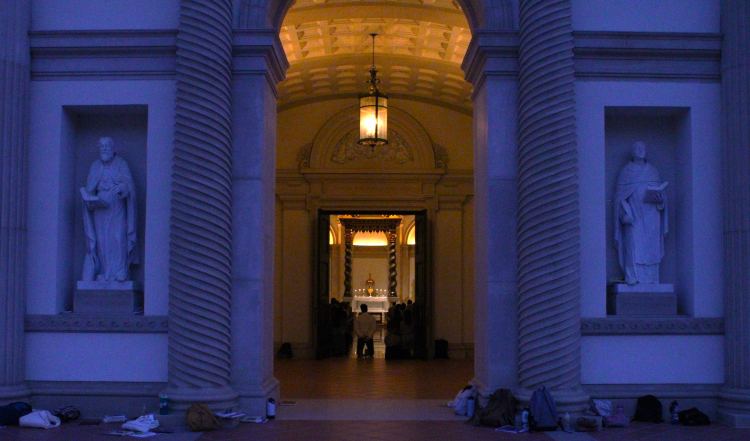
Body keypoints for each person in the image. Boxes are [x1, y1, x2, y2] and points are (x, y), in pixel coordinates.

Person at [81, 137, 139, 282]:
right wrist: (90, 200)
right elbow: (90, 189)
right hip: (100, 210)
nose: (104, 149)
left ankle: (121, 271)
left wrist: (121, 187)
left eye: (107, 146)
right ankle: (105, 272)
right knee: (102, 240)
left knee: (117, 238)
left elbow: (129, 186)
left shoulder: (121, 164)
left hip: (117, 206)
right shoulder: (95, 166)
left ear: (114, 149)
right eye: (102, 146)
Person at [614, 141, 668, 284]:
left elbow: (662, 197)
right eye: (637, 148)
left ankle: (651, 280)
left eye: (643, 147)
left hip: (652, 218)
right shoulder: (626, 172)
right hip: (634, 217)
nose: (641, 150)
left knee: (651, 251)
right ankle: (633, 278)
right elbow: (619, 199)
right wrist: (622, 215)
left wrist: (660, 200)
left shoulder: (653, 171)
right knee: (634, 246)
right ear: (632, 153)